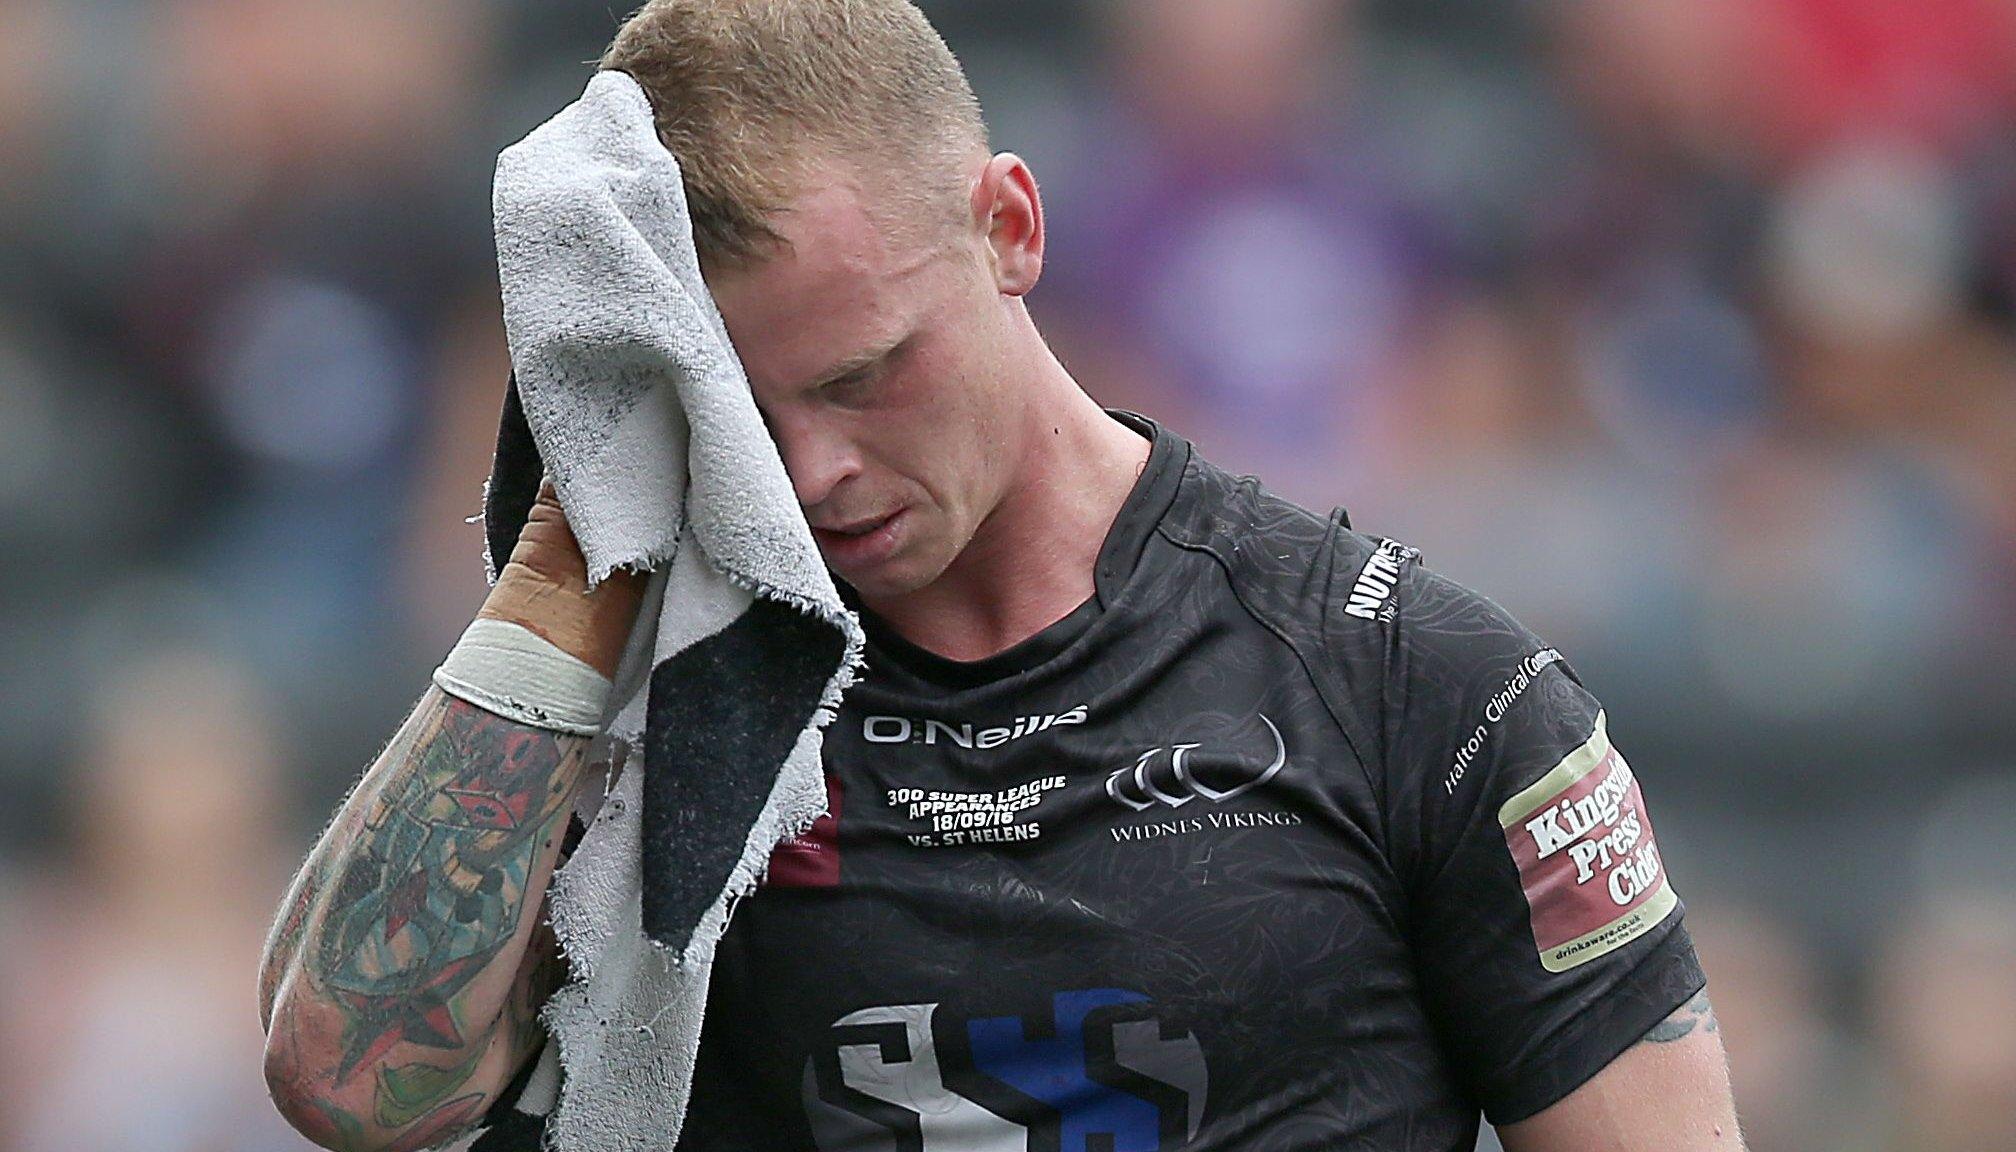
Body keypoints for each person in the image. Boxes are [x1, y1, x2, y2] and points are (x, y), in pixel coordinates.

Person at [258, 2, 1741, 1149]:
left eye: (869, 373)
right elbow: (347, 1085)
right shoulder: (654, 710)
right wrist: (578, 543)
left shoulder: (1420, 686)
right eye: (746, 419)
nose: (818, 469)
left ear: (1011, 228)